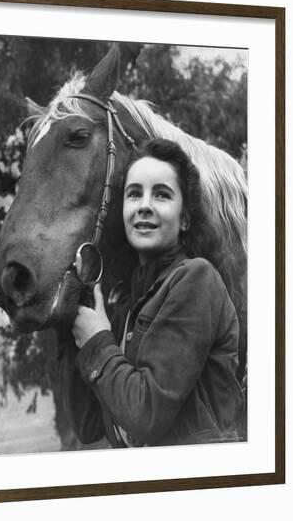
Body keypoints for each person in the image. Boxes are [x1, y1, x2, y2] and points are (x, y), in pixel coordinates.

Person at [60, 138, 245, 448]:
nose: (144, 205)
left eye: (161, 194)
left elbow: (145, 416)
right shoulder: (125, 304)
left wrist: (95, 340)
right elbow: (89, 424)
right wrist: (67, 318)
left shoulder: (197, 279)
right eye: (134, 194)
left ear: (185, 218)